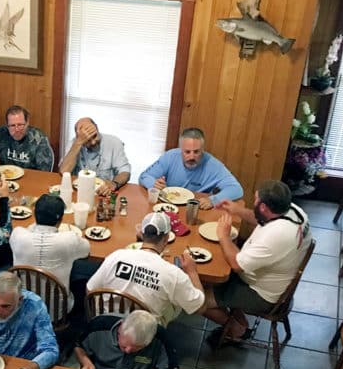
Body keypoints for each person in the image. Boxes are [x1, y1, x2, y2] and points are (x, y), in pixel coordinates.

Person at [202, 181, 312, 342]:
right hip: (270, 280)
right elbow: (264, 219)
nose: (254, 202)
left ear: (263, 207)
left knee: (196, 298)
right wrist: (237, 210)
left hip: (260, 294)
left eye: (255, 200)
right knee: (213, 272)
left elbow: (237, 265)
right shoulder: (294, 211)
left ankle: (237, 329)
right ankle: (237, 318)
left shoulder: (277, 235)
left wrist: (223, 235)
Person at [86, 213, 205, 326]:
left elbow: (90, 289)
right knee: (174, 301)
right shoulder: (173, 274)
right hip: (142, 333)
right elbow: (199, 308)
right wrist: (192, 272)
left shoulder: (116, 256)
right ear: (166, 238)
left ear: (141, 234)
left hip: (105, 323)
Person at [74, 311, 182, 369]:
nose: (128, 351)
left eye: (138, 347)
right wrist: (86, 362)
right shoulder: (99, 325)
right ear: (120, 327)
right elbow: (79, 347)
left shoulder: (161, 337)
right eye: (125, 346)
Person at [8, 194, 91, 309]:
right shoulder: (69, 239)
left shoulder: (17, 234)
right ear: (60, 220)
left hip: (23, 307)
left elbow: (29, 230)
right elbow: (86, 250)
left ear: (34, 214)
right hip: (57, 312)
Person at [137, 128, 243, 210]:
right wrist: (154, 184)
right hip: (167, 206)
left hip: (195, 209)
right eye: (187, 152)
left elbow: (237, 189)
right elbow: (144, 176)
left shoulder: (213, 165)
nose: (191, 157)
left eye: (196, 152)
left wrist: (213, 200)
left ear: (203, 150)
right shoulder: (170, 156)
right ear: (180, 149)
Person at [59, 117, 131, 195]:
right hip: (80, 192)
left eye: (94, 136)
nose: (93, 142)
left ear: (97, 128)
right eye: (87, 140)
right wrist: (78, 143)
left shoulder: (114, 142)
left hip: (105, 193)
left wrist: (114, 183)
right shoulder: (74, 143)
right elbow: (64, 172)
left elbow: (125, 171)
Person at [0, 105, 54, 171]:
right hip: (4, 178)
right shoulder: (0, 133)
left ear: (27, 123)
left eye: (20, 125)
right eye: (12, 125)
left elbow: (45, 169)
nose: (16, 129)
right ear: (7, 126)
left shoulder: (38, 138)